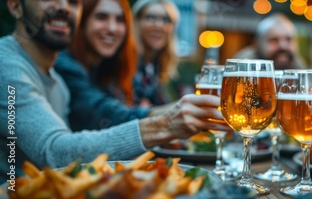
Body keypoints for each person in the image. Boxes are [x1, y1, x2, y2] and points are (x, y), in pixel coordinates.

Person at [0, 0, 230, 182]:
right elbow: (54, 152)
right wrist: (165, 124)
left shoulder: (58, 83)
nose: (63, 6)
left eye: (73, 1)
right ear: (15, 5)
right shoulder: (5, 62)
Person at [53, 0, 170, 130]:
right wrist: (170, 113)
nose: (112, 28)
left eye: (120, 20)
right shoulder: (64, 63)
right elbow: (102, 114)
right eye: (101, 17)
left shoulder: (110, 67)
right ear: (82, 21)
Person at [132, 0, 190, 107]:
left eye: (166, 20)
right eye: (150, 17)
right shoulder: (126, 64)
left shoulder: (156, 67)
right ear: (137, 22)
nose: (158, 25)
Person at [233, 13, 305, 70]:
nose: (283, 46)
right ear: (256, 44)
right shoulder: (241, 67)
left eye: (288, 39)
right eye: (274, 40)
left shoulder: (298, 67)